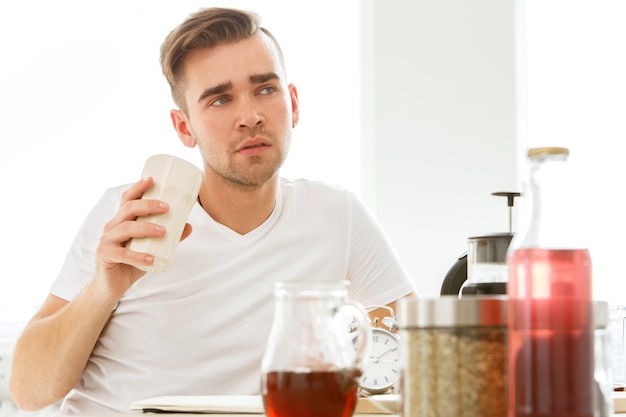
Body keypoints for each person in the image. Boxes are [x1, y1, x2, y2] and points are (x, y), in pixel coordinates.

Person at [8, 7, 417, 416]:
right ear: (184, 127)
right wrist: (103, 290)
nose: (250, 116)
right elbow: (29, 392)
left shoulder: (335, 214)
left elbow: (421, 353)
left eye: (265, 89)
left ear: (292, 103)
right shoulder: (129, 215)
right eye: (220, 99)